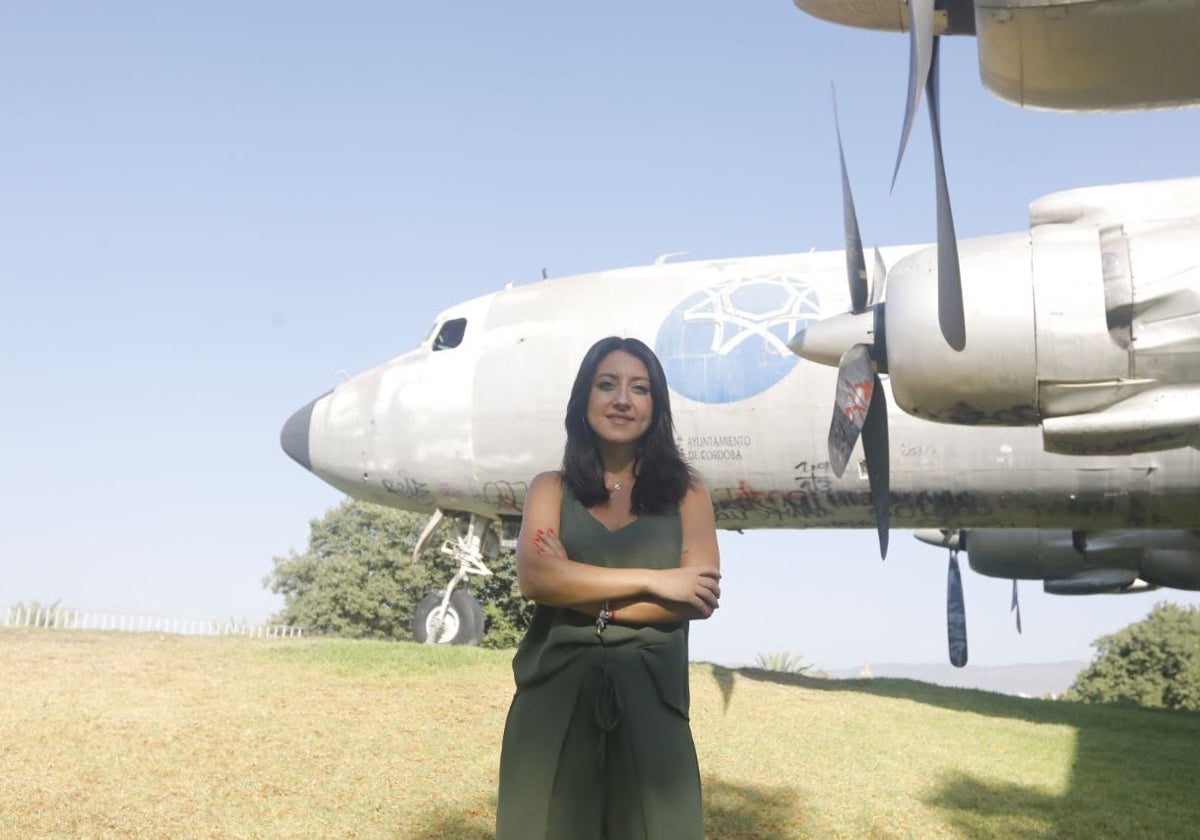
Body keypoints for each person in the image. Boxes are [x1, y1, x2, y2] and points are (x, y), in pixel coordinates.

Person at [495, 336, 721, 840]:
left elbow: (699, 597)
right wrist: (656, 580)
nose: (623, 399)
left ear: (655, 406)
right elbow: (536, 577)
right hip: (552, 700)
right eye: (607, 385)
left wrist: (575, 583)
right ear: (584, 399)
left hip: (652, 705)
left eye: (639, 388)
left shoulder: (688, 493)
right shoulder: (549, 488)